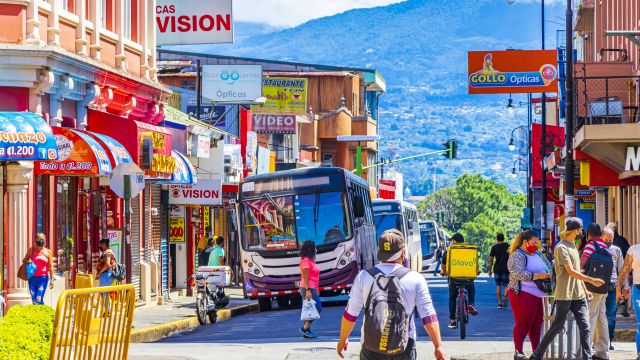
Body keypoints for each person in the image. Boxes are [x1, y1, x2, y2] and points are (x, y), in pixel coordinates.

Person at [337, 229, 445, 360]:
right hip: (405, 347)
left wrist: (343, 339)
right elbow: (428, 315)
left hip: (371, 347)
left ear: (380, 253)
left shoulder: (363, 277)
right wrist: (438, 346)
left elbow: (350, 314)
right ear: (403, 253)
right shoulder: (415, 278)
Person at [530, 217, 605, 360]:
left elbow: (577, 271)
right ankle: (536, 355)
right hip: (565, 294)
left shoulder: (573, 246)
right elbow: (570, 271)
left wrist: (585, 288)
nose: (581, 232)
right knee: (557, 327)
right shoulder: (561, 247)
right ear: (575, 230)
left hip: (579, 295)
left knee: (585, 327)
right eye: (580, 229)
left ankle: (587, 357)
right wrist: (592, 280)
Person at [506, 230, 552, 360]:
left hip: (540, 295)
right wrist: (537, 276)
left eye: (537, 243)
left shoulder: (538, 253)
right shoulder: (517, 255)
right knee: (523, 323)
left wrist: (549, 274)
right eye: (533, 243)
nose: (536, 245)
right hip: (522, 293)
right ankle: (518, 352)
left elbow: (548, 266)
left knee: (537, 324)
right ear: (525, 242)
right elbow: (516, 273)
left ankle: (536, 353)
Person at [579, 223, 612, 360]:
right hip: (604, 287)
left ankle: (585, 352)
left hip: (592, 286)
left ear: (588, 234)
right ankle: (603, 352)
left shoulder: (591, 244)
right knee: (601, 318)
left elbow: (582, 262)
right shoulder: (605, 246)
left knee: (590, 317)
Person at [441, 233, 477, 329]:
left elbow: (443, 264)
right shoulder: (470, 249)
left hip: (454, 279)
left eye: (452, 240)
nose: (451, 242)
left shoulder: (450, 250)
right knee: (471, 289)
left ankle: (452, 321)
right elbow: (474, 264)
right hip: (468, 279)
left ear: (454, 241)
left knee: (452, 297)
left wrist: (444, 272)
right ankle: (471, 304)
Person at [602, 227, 626, 350]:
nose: (608, 242)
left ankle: (608, 341)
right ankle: (598, 342)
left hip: (612, 287)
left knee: (611, 316)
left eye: (611, 240)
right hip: (598, 288)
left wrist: (624, 287)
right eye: (606, 239)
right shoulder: (595, 248)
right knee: (598, 316)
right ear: (601, 238)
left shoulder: (616, 250)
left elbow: (622, 270)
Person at [22, 233, 54, 305]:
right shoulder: (31, 250)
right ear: (35, 240)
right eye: (39, 239)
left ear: (45, 240)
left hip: (43, 279)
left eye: (42, 239)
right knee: (34, 301)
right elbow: (24, 260)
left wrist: (52, 280)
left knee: (39, 299)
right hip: (32, 278)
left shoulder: (48, 252)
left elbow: (51, 267)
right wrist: (28, 261)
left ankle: (42, 313)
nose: (41, 241)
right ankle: (39, 314)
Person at [608, 222, 631, 318]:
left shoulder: (608, 242)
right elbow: (628, 253)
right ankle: (623, 308)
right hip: (622, 268)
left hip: (612, 271)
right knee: (624, 287)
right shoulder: (623, 240)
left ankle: (619, 308)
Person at [299, 240, 321, 339]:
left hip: (312, 287)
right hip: (307, 287)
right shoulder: (306, 260)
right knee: (317, 308)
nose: (316, 249)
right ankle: (305, 328)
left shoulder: (311, 260)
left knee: (310, 309)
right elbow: (305, 275)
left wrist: (316, 288)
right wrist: (308, 290)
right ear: (310, 249)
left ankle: (306, 331)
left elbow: (314, 276)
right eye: (314, 247)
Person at [489, 232, 510, 309]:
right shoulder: (508, 246)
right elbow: (511, 257)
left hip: (497, 268)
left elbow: (491, 260)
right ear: (503, 238)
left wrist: (489, 270)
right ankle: (504, 296)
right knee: (506, 285)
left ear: (497, 239)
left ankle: (499, 303)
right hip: (506, 268)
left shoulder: (494, 247)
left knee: (498, 285)